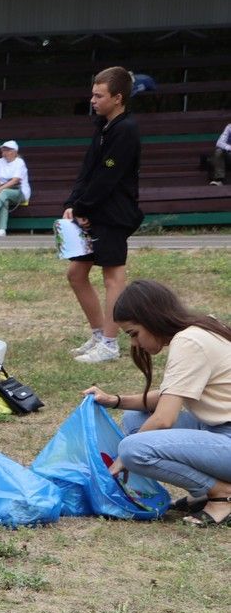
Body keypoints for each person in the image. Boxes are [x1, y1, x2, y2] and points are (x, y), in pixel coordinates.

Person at [83, 280, 231, 528]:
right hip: (218, 430)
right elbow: (170, 393)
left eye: (133, 334)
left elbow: (165, 418)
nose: (134, 344)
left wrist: (123, 457)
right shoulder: (201, 328)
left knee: (133, 449)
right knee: (135, 420)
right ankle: (206, 492)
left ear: (152, 319)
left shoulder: (189, 342)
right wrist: (115, 401)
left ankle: (222, 494)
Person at [65, 66, 143, 365]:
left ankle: (110, 344)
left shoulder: (126, 130)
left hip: (113, 214)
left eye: (99, 95)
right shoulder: (103, 127)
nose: (93, 100)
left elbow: (108, 177)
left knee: (113, 277)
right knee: (76, 273)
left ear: (118, 97)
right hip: (91, 211)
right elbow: (89, 170)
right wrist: (74, 203)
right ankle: (99, 334)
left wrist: (84, 208)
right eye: (93, 94)